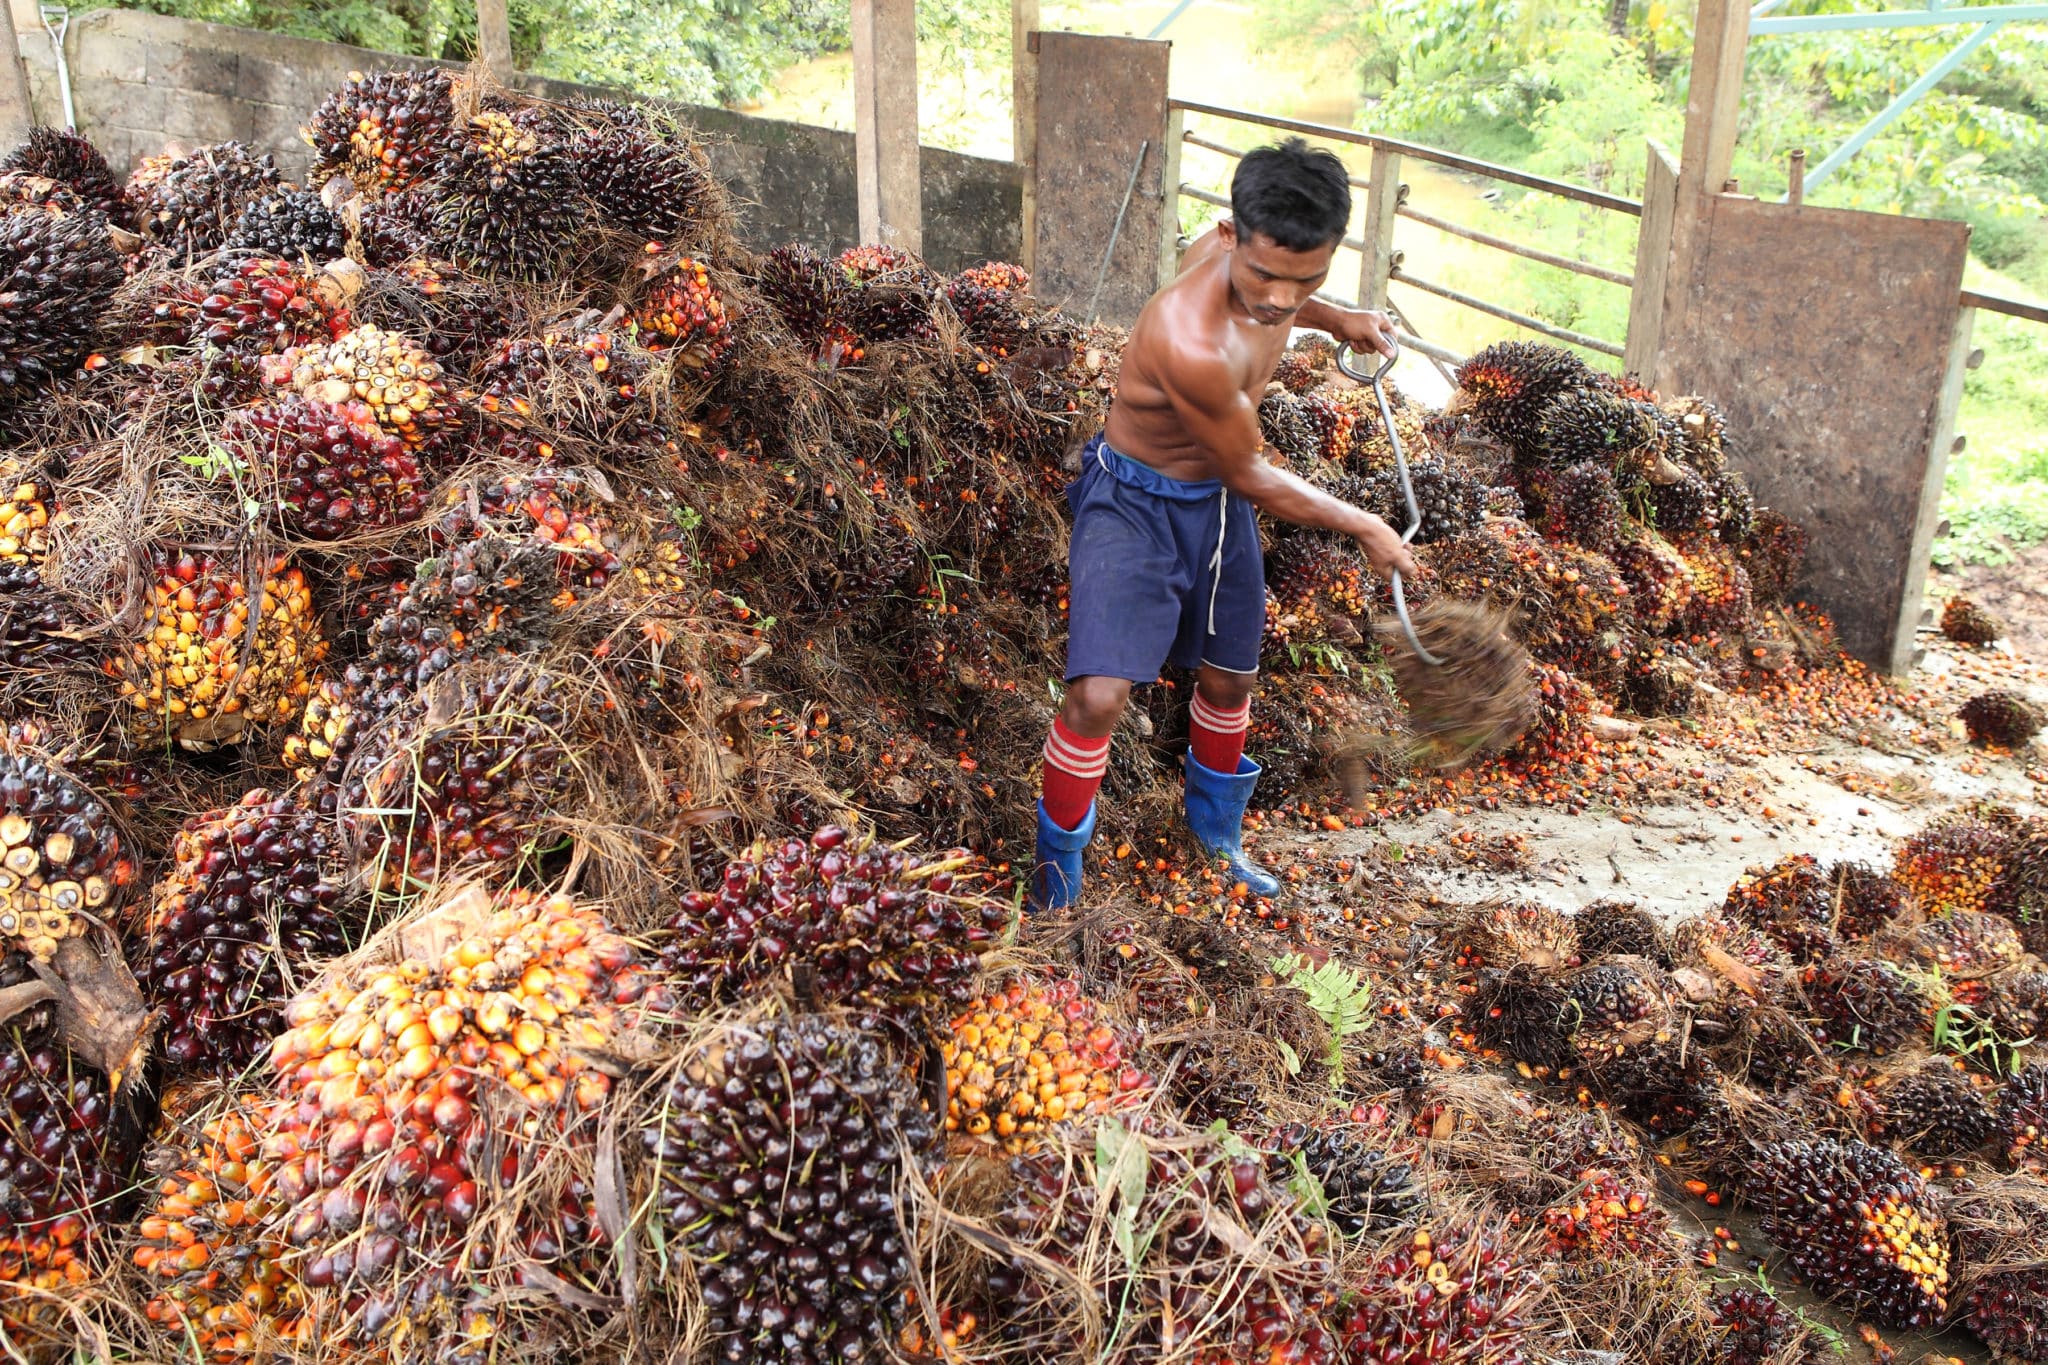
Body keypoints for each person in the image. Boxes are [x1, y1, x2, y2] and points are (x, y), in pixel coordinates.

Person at [1031, 136, 1418, 912]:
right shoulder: (1191, 337)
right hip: (1137, 504)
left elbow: (1283, 293)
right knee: (1099, 696)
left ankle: (1216, 838)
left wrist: (1338, 319)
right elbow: (1251, 473)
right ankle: (1055, 875)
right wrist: (1365, 524)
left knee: (1231, 675)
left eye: (1307, 278)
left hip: (1213, 504)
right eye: (1265, 274)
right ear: (1228, 236)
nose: (1279, 298)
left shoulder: (1273, 277)